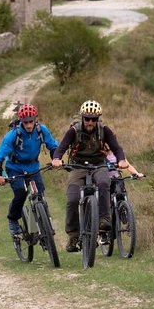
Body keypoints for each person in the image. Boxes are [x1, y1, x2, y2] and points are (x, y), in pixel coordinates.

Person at [51, 100, 135, 253]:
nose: (90, 122)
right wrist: (56, 159)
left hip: (99, 165)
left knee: (104, 183)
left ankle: (104, 220)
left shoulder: (105, 130)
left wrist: (121, 160)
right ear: (82, 118)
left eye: (94, 119)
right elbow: (61, 147)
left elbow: (117, 148)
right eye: (87, 119)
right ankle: (74, 235)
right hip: (78, 166)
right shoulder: (74, 131)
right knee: (72, 198)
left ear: (98, 119)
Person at [0, 104, 58, 238]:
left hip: (33, 167)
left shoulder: (41, 130)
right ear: (21, 122)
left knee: (40, 195)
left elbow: (53, 145)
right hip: (15, 168)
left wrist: (56, 159)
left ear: (35, 119)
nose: (29, 125)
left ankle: (45, 224)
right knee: (21, 193)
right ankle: (13, 219)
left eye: (31, 121)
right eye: (25, 122)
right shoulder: (12, 135)